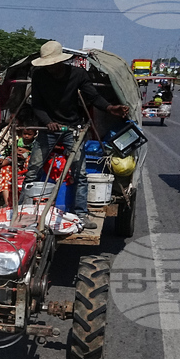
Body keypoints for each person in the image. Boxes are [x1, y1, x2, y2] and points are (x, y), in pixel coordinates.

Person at [26, 41, 130, 229]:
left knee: (79, 172)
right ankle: (25, 211)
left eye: (53, 64)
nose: (50, 68)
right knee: (33, 169)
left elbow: (93, 96)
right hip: (48, 128)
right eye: (47, 64)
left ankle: (80, 214)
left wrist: (110, 107)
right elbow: (37, 105)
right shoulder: (39, 75)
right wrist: (47, 122)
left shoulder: (78, 74)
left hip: (72, 128)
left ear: (60, 62)